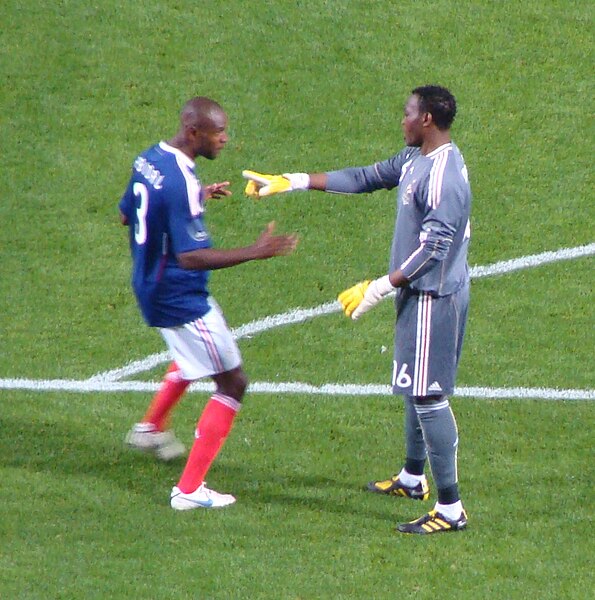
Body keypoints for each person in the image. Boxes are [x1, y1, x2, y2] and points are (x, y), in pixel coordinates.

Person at [243, 85, 471, 534]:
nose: (401, 119)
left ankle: (450, 508)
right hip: (418, 293)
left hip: (433, 298)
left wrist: (380, 287)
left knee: (427, 394)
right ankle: (412, 477)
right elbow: (367, 177)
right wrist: (294, 180)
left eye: (407, 113)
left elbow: (436, 247)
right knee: (413, 383)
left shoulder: (443, 176)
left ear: (426, 119)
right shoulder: (415, 159)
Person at [119, 96, 298, 510]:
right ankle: (188, 491)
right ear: (193, 132)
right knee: (232, 382)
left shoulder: (150, 159)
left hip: (148, 282)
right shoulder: (178, 180)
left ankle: (150, 426)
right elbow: (191, 256)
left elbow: (129, 215)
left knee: (191, 354)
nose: (225, 140)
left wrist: (194, 197)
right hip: (179, 296)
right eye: (218, 133)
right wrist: (257, 250)